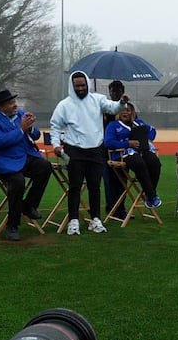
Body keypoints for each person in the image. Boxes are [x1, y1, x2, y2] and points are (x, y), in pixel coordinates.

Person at [51, 70, 128, 235]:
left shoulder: (98, 99)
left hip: (95, 150)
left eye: (83, 85)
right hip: (73, 151)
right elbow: (55, 126)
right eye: (77, 86)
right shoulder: (64, 105)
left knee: (95, 187)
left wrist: (121, 103)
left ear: (87, 84)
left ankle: (95, 219)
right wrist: (56, 144)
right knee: (75, 187)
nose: (80, 88)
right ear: (72, 86)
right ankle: (73, 221)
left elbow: (113, 108)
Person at [0, 89, 53, 241]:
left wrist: (31, 127)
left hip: (27, 156)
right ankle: (12, 225)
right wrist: (21, 130)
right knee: (17, 182)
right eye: (11, 103)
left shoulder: (21, 114)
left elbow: (36, 135)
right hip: (7, 160)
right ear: (1, 106)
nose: (15, 105)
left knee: (45, 166)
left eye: (14, 101)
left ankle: (29, 206)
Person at [104, 102, 162, 211]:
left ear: (132, 113)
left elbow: (152, 131)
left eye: (128, 110)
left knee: (154, 162)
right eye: (122, 110)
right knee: (138, 162)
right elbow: (108, 142)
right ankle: (151, 195)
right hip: (122, 154)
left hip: (140, 151)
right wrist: (127, 143)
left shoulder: (138, 123)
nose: (125, 113)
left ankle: (150, 193)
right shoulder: (113, 125)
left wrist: (145, 138)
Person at [102, 80, 127, 215]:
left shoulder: (127, 108)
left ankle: (121, 208)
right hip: (106, 150)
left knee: (123, 180)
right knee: (109, 180)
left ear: (122, 92)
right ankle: (111, 208)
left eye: (117, 91)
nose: (115, 94)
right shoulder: (105, 108)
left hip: (122, 150)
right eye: (112, 91)